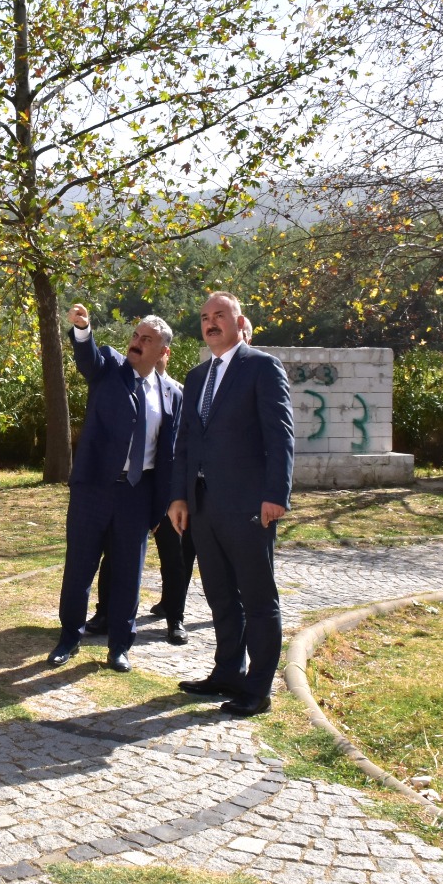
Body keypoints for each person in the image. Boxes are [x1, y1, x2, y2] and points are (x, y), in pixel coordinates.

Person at [168, 292, 293, 718]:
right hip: (202, 507)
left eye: (220, 315)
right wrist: (179, 496)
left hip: (249, 507)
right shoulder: (197, 376)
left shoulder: (261, 367)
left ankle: (257, 689)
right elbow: (184, 443)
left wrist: (276, 495)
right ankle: (226, 672)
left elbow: (280, 436)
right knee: (220, 596)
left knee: (257, 598)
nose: (211, 322)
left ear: (241, 323)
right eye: (204, 317)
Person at [48, 304, 182, 673]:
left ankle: (120, 646)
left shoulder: (172, 395)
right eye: (136, 336)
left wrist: (160, 507)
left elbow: (170, 455)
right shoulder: (109, 367)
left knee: (128, 574)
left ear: (163, 351)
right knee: (79, 568)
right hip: (94, 490)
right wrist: (82, 329)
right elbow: (87, 358)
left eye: (147, 339)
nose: (137, 342)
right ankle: (69, 638)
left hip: (137, 496)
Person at [88, 342, 194, 645]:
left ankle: (175, 617)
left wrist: (178, 494)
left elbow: (182, 446)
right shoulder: (128, 385)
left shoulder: (178, 392)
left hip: (167, 491)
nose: (145, 350)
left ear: (165, 353)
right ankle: (105, 613)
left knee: (173, 555)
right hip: (134, 490)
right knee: (115, 552)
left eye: (154, 346)